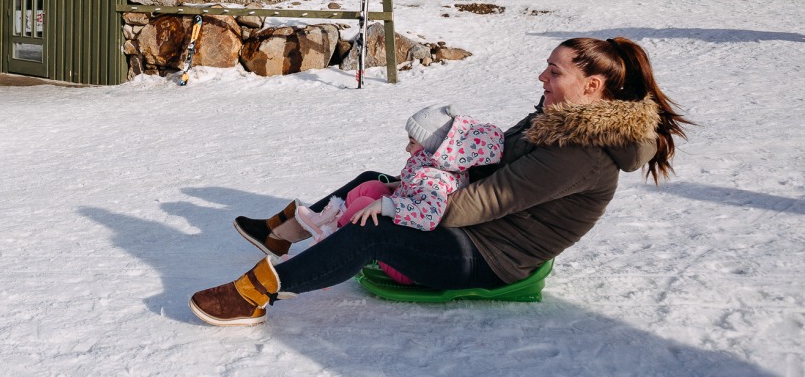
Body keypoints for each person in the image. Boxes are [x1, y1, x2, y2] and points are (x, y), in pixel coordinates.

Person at [189, 36, 692, 326]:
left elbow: (479, 202)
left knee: (376, 229)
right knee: (374, 179)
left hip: (489, 256)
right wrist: (437, 148)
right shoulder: (556, 115)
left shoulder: (581, 152)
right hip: (477, 229)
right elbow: (494, 156)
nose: (542, 77)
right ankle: (284, 234)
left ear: (593, 86)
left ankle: (256, 295)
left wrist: (401, 208)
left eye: (554, 71)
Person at [293, 104, 504, 285]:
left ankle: (326, 246)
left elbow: (428, 214)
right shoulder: (433, 165)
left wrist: (386, 206)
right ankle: (328, 222)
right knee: (372, 187)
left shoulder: (434, 178)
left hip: (405, 263)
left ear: (433, 147)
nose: (406, 148)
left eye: (412, 142)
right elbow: (416, 191)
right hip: (406, 231)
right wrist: (400, 187)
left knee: (367, 203)